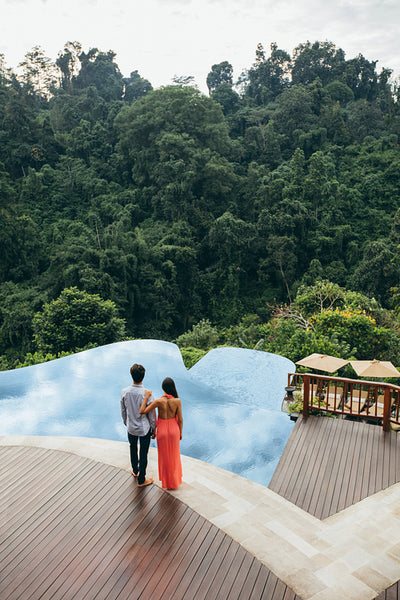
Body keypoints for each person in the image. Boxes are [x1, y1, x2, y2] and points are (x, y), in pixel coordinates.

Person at [139, 377, 183, 490]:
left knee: (164, 457)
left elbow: (142, 411)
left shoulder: (158, 401)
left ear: (163, 388)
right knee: (174, 456)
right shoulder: (177, 401)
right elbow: (180, 420)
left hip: (162, 431)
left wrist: (147, 397)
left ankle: (167, 482)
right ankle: (174, 481)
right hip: (174, 430)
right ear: (173, 388)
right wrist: (180, 432)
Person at [120, 363, 156, 487]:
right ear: (143, 376)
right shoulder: (147, 394)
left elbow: (123, 411)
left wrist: (127, 422)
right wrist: (154, 428)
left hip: (131, 427)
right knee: (143, 452)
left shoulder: (124, 392)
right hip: (144, 428)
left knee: (133, 448)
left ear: (131, 375)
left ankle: (135, 470)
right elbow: (151, 415)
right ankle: (141, 479)